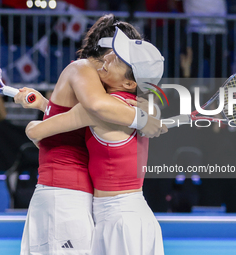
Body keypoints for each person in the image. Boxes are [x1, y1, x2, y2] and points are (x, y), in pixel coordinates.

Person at [14, 14, 167, 255]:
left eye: (119, 56)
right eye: (115, 51)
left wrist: (46, 109)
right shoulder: (86, 71)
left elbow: (85, 113)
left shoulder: (105, 98)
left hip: (80, 202)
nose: (110, 57)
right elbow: (92, 109)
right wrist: (144, 119)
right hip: (67, 198)